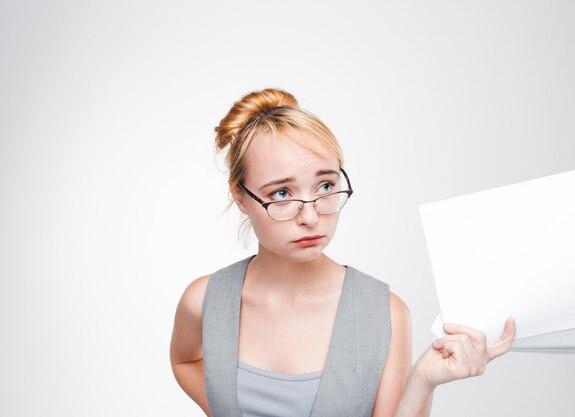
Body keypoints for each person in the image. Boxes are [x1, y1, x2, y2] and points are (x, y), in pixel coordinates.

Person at [169, 88, 517, 417]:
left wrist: (422, 381)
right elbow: (185, 361)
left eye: (325, 186)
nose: (310, 217)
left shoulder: (383, 312)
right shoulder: (204, 299)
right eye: (280, 194)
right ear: (240, 196)